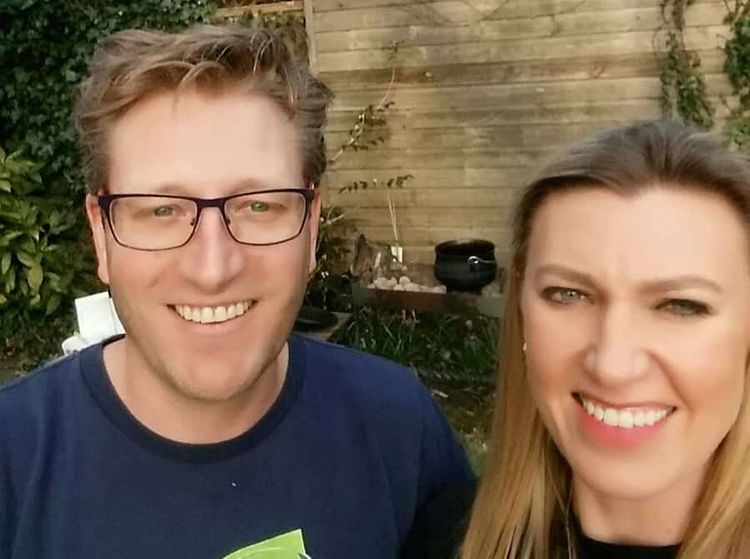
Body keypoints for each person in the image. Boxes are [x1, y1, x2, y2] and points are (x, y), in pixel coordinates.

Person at [0, 25, 473, 559]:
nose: (212, 269)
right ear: (100, 235)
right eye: (161, 210)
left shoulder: (399, 429)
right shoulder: (12, 461)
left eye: (258, 206)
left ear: (311, 227)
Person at [459, 120, 750, 559]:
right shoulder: (442, 536)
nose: (613, 366)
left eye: (681, 305)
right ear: (520, 311)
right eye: (568, 294)